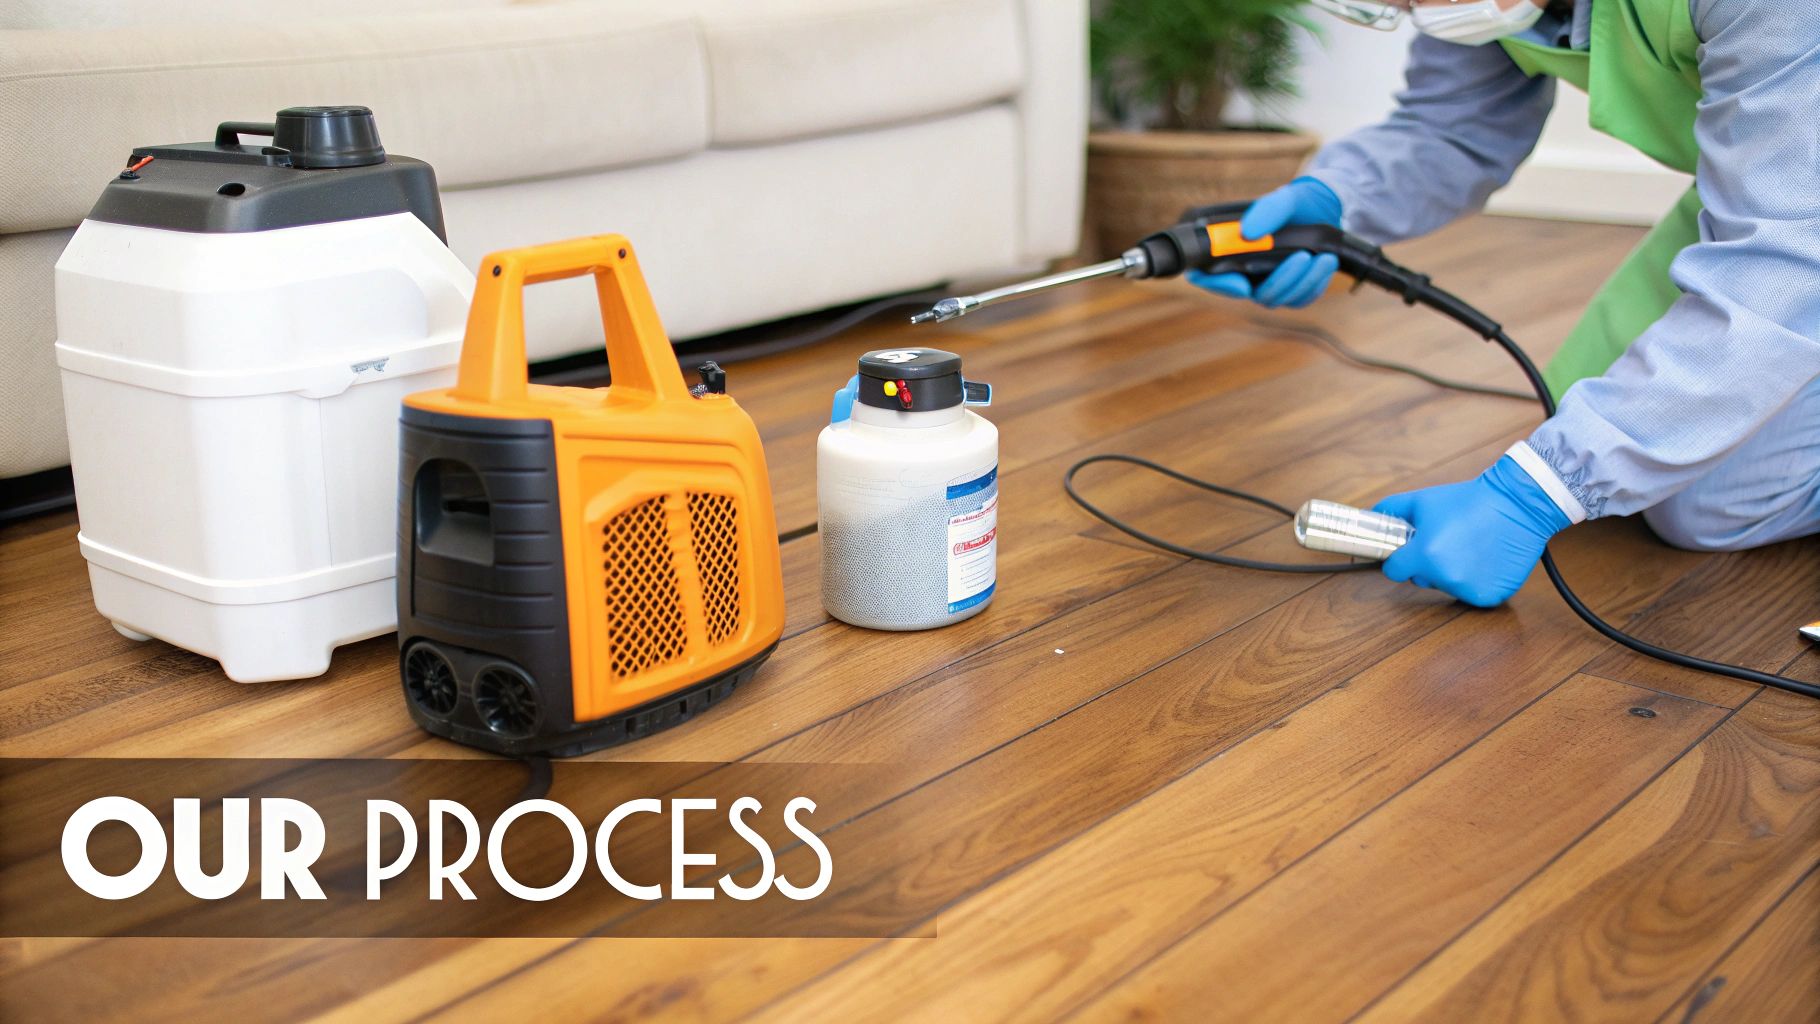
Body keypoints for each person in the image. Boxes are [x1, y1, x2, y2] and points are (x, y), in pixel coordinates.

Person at [1193, 0, 1820, 607]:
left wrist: (1539, 491)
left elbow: (1785, 255)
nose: (1410, 11)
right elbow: (1454, 126)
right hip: (1782, 198)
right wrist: (1336, 201)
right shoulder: (1482, 4)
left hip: (1794, 229)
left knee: (1707, 505)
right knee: (1597, 412)